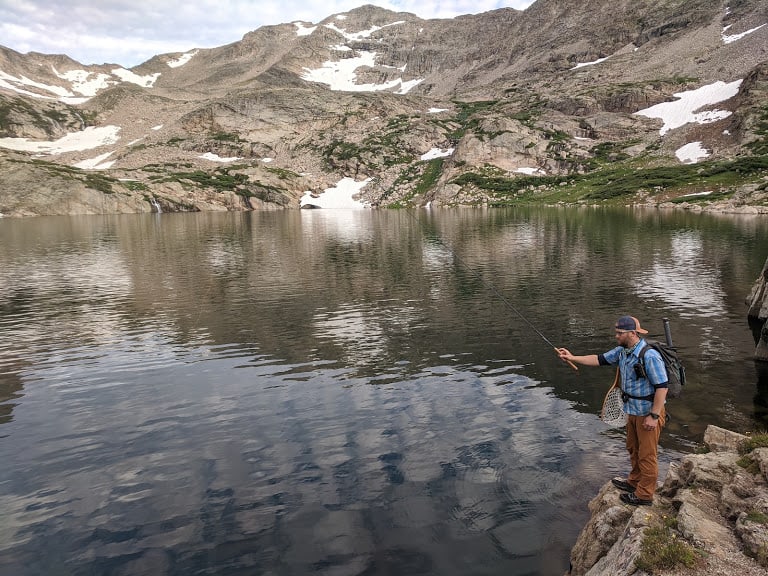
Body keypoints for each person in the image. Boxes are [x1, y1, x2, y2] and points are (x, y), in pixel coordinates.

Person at [556, 315, 668, 506]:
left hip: (648, 413)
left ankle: (645, 495)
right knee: (633, 448)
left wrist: (654, 416)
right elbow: (598, 359)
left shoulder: (649, 356)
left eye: (620, 333)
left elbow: (662, 387)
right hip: (631, 411)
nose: (616, 336)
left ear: (632, 333)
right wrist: (571, 357)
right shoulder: (622, 352)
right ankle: (634, 482)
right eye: (616, 332)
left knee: (647, 455)